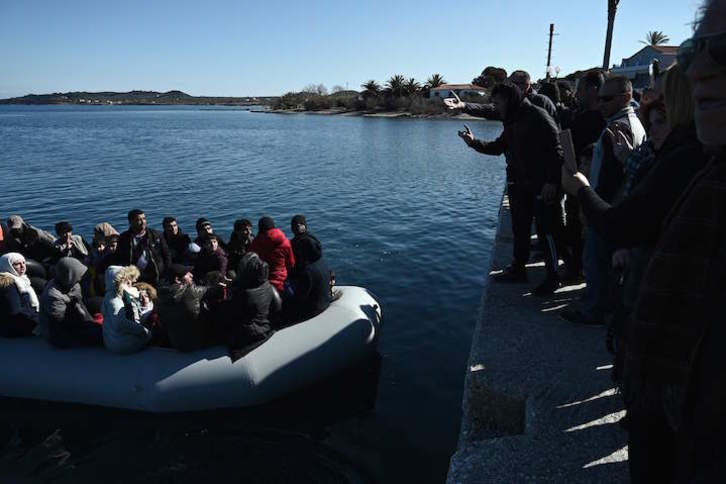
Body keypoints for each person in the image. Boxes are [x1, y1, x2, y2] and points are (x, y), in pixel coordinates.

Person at [457, 81, 565, 295]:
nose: (494, 107)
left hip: (541, 185)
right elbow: (499, 147)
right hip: (520, 184)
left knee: (546, 231)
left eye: (496, 102)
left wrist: (552, 182)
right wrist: (473, 143)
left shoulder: (537, 116)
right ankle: (518, 269)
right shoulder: (512, 119)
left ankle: (553, 277)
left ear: (508, 100)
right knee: (520, 228)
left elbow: (558, 150)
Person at [563, 76, 646, 326]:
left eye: (606, 99)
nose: (600, 104)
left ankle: (593, 311)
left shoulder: (619, 128)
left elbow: (617, 176)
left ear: (626, 98)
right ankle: (600, 303)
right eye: (599, 98)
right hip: (611, 206)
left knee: (595, 259)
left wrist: (593, 206)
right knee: (602, 262)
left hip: (607, 207)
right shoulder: (627, 123)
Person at [560, 70, 608, 280]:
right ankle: (576, 264)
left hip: (586, 182)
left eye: (580, 89)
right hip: (577, 179)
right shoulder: (583, 114)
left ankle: (578, 268)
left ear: (592, 89)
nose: (576, 94)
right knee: (574, 225)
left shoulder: (599, 120)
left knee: (581, 227)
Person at [223, 252, 281, 359]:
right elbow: (277, 306)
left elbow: (230, 314)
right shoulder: (267, 285)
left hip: (250, 333)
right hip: (266, 326)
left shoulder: (245, 294)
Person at [444, 69, 558, 122]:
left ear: (526, 85)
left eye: (512, 84)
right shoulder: (511, 103)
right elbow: (489, 110)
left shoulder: (542, 102)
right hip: (515, 167)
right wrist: (463, 105)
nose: (509, 87)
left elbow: (557, 134)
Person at [39, 257, 102, 348]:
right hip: (56, 333)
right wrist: (85, 329)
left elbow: (80, 305)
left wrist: (90, 323)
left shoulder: (72, 284)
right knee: (96, 335)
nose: (80, 278)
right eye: (78, 275)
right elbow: (60, 322)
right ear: (69, 275)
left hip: (71, 318)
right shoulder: (53, 295)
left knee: (96, 327)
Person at [158, 263, 211, 352]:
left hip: (177, 344)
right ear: (178, 280)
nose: (191, 275)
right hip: (197, 344)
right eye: (187, 273)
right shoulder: (189, 293)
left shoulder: (161, 297)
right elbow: (207, 290)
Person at [101, 265, 152, 354]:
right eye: (127, 279)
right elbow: (120, 323)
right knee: (150, 334)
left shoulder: (120, 294)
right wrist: (142, 330)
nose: (131, 281)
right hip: (119, 343)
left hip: (115, 339)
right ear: (118, 281)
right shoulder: (114, 298)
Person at [116, 209, 171, 286]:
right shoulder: (124, 238)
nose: (143, 222)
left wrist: (167, 272)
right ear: (131, 222)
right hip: (135, 278)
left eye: (144, 219)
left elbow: (166, 254)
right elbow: (119, 258)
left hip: (157, 275)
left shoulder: (156, 235)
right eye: (139, 220)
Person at [285, 234, 330, 322]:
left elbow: (300, 296)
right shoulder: (321, 262)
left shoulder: (308, 272)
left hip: (313, 310)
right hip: (324, 301)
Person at [248, 217, 295, 293]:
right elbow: (291, 263)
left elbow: (251, 263)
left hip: (263, 283)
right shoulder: (285, 241)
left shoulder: (256, 243)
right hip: (282, 282)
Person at [0, 252, 39, 336]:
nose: (22, 266)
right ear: (7, 265)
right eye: (17, 264)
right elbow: (15, 312)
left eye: (24, 263)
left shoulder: (21, 279)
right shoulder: (8, 284)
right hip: (13, 328)